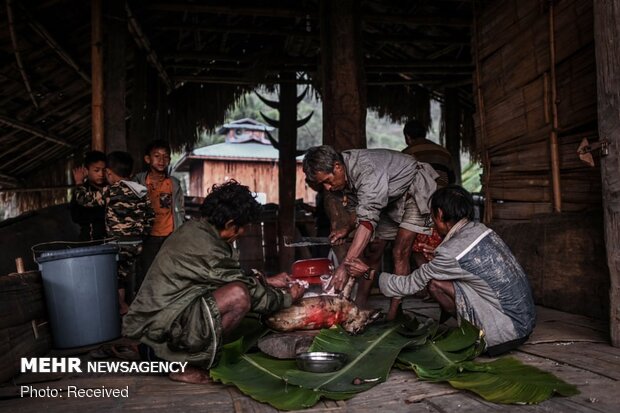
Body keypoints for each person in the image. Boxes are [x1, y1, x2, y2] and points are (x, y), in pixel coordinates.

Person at [122, 180, 305, 384]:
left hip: (155, 335)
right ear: (229, 224)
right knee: (239, 297)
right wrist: (288, 298)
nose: (243, 232)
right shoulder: (207, 247)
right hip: (161, 342)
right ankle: (185, 366)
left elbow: (225, 275)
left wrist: (266, 280)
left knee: (245, 303)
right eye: (243, 227)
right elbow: (245, 290)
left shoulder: (198, 230)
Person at [344, 185, 536, 355]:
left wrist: (369, 273)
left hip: (502, 336)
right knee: (439, 281)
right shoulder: (482, 230)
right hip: (525, 324)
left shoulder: (449, 252)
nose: (432, 223)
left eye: (432, 216)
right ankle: (469, 326)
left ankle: (472, 334)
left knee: (432, 282)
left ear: (441, 214)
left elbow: (407, 285)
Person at [302, 145, 439, 319]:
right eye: (323, 184)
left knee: (400, 252)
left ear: (337, 167)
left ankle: (394, 312)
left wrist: (344, 266)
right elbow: (361, 212)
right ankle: (359, 306)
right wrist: (347, 228)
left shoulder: (367, 172)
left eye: (327, 181)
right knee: (372, 251)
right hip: (389, 198)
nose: (327, 188)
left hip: (413, 189)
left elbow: (366, 222)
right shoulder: (342, 175)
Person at [75, 151, 154, 315]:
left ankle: (123, 308)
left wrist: (78, 183)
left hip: (117, 244)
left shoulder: (111, 190)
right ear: (130, 173)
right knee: (121, 278)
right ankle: (124, 309)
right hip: (136, 244)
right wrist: (141, 236)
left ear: (109, 173)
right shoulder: (141, 191)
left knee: (110, 278)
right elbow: (151, 216)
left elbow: (84, 200)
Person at [133, 140, 185, 284]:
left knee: (169, 274)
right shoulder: (138, 182)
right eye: (157, 156)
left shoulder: (173, 184)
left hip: (169, 237)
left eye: (166, 156)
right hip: (148, 236)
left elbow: (179, 210)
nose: (162, 160)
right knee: (148, 274)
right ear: (147, 159)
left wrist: (179, 234)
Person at [402, 120, 456, 187]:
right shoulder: (444, 152)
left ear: (408, 136)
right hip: (441, 195)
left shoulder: (406, 154)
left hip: (419, 196)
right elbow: (452, 179)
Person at [70, 151, 107, 241]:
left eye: (104, 170)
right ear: (86, 171)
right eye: (96, 170)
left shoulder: (110, 188)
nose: (101, 174)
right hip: (89, 239)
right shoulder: (82, 190)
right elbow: (76, 216)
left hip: (111, 240)